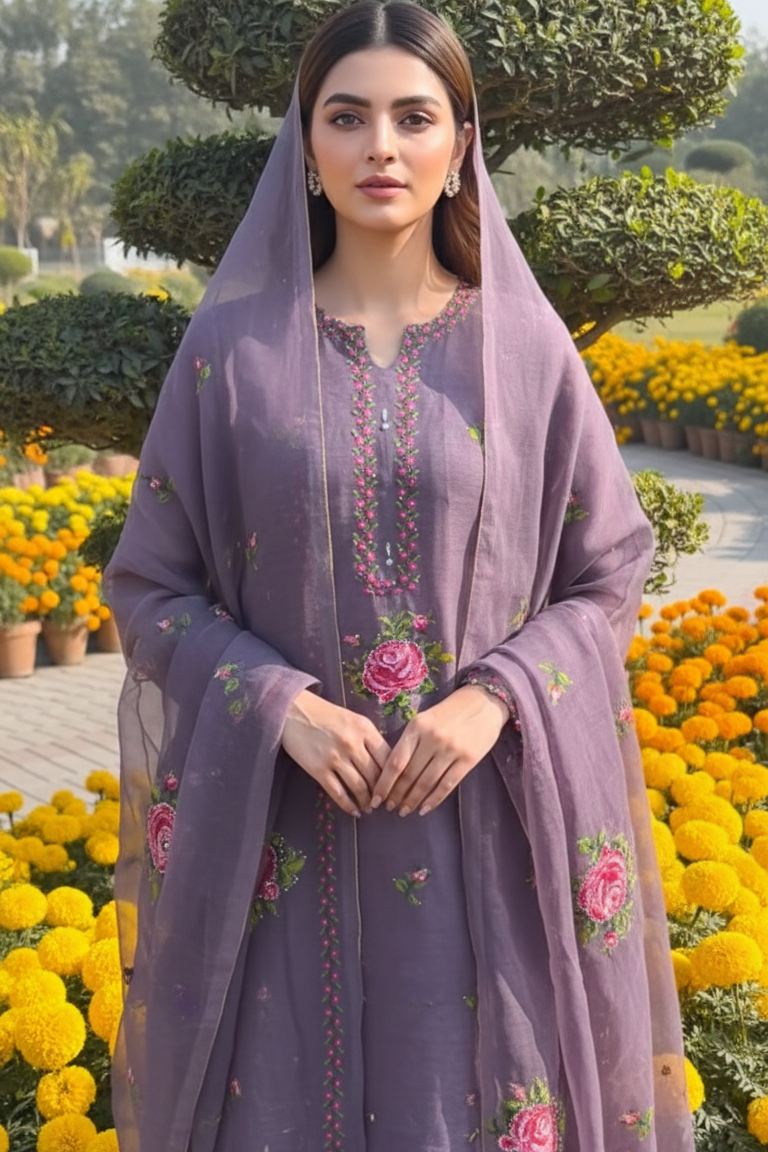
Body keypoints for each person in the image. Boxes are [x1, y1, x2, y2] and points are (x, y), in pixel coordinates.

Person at [102, 4, 695, 1151]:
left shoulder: (522, 353)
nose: (382, 146)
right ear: (307, 149)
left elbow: (608, 567)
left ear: (460, 144)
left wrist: (497, 696)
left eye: (414, 116)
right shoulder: (233, 356)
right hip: (282, 840)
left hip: (483, 834)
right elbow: (150, 586)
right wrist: (277, 706)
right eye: (348, 116)